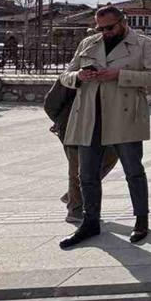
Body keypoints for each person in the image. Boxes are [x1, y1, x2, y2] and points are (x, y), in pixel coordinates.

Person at [58, 6, 151, 249]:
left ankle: (141, 220)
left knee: (133, 171)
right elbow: (65, 75)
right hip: (89, 116)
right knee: (86, 175)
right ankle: (90, 221)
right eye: (101, 28)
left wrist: (120, 74)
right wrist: (78, 77)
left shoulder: (144, 44)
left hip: (124, 116)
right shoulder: (88, 43)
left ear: (123, 22)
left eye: (110, 27)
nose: (105, 32)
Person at [44, 75, 118, 225]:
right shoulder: (74, 73)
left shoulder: (110, 72)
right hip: (73, 127)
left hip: (102, 128)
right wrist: (63, 122)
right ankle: (75, 209)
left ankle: (74, 194)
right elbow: (51, 104)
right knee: (77, 167)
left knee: (111, 156)